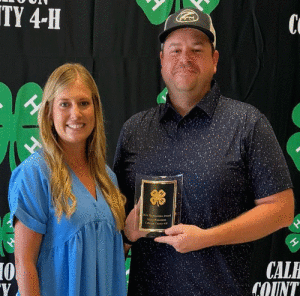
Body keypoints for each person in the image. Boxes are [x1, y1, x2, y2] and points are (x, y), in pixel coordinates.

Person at [113, 7, 295, 296]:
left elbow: (282, 210)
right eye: (175, 50)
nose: (184, 58)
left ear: (215, 60)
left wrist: (208, 238)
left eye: (196, 49)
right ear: (162, 61)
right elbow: (113, 224)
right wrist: (127, 234)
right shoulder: (135, 130)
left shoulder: (247, 123)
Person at [8, 63, 127, 296]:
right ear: (49, 112)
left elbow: (104, 258)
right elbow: (24, 264)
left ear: (96, 109)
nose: (76, 114)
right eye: (65, 104)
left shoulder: (107, 177)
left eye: (84, 103)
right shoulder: (35, 174)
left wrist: (130, 234)